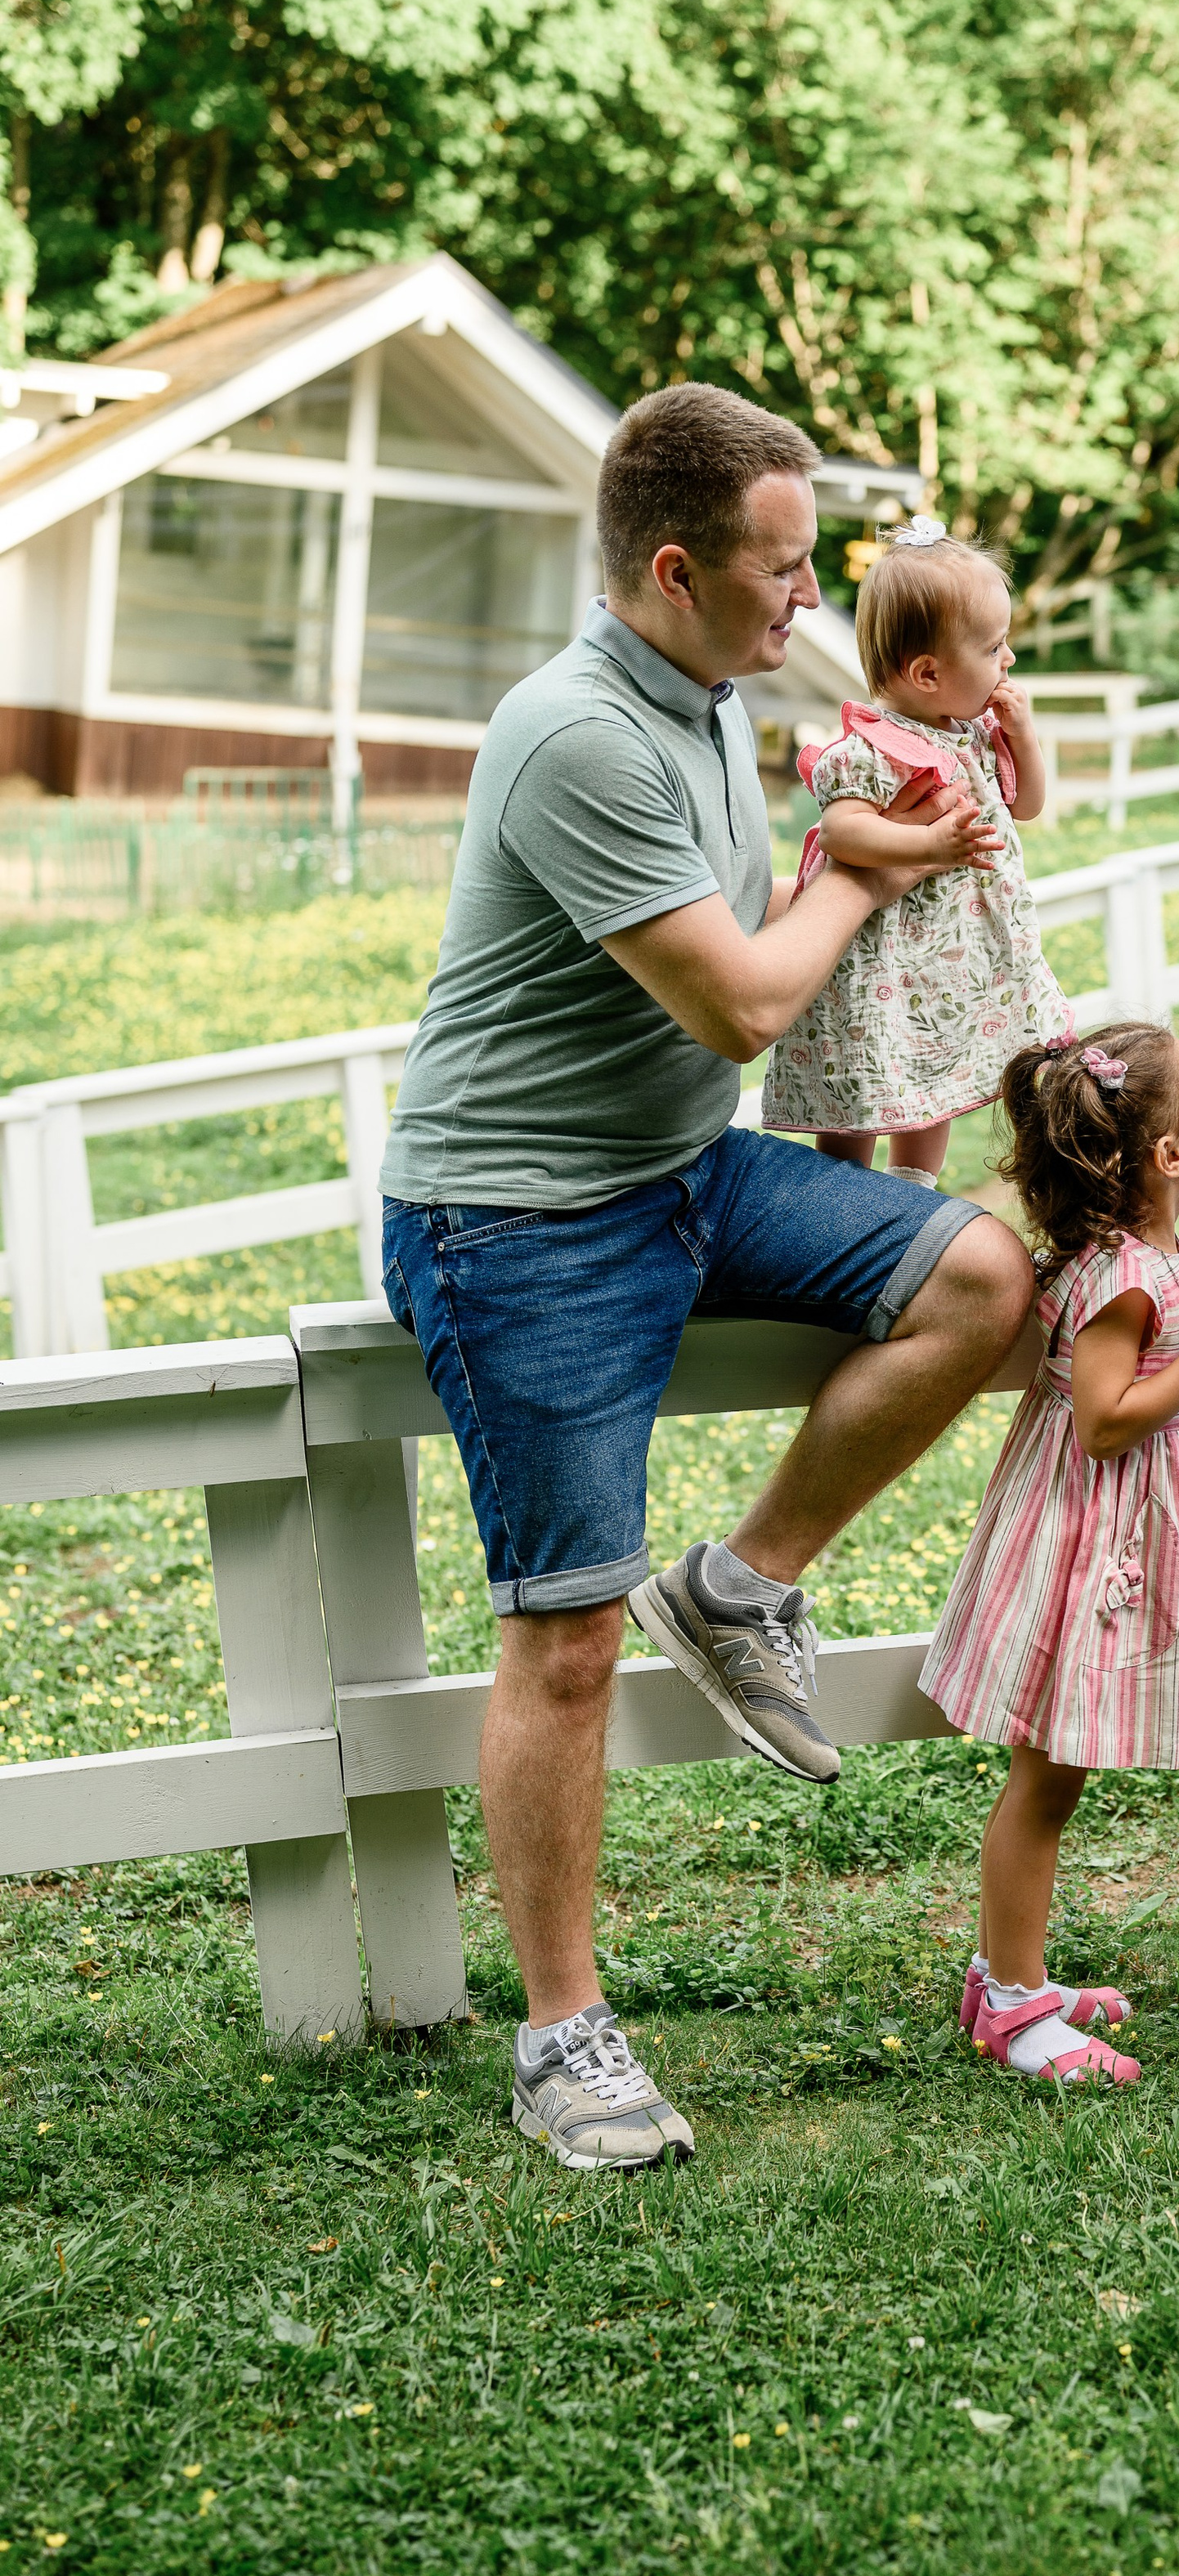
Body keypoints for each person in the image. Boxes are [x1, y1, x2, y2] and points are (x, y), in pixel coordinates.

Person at [379, 384, 1036, 2167]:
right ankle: (562, 2036)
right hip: (514, 1218)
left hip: (682, 1172)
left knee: (987, 1280)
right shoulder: (575, 732)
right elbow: (746, 998)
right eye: (783, 569)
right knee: (567, 1635)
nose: (809, 602)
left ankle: (744, 1586)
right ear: (673, 571)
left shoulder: (707, 695)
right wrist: (841, 861)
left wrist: (922, 810)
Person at [917, 1024, 1179, 2081]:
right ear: (1168, 1157)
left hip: (1099, 1542)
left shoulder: (1130, 1259)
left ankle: (1006, 1979)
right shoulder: (1130, 1278)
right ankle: (1012, 2007)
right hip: (1084, 1555)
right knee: (1047, 1778)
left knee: (1051, 1776)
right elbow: (1106, 1422)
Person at [761, 514, 1070, 1177]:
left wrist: (1025, 738)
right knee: (870, 1077)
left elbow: (1029, 805)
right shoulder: (872, 749)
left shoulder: (977, 736)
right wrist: (927, 841)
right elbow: (846, 830)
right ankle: (842, 1193)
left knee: (933, 1090)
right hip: (884, 963)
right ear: (927, 673)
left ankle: (915, 1189)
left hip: (952, 964)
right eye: (993, 649)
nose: (1008, 660)